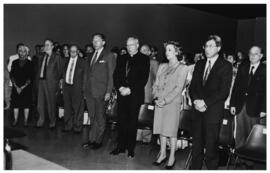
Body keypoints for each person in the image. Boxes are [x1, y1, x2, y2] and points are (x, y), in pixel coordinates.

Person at [189, 35, 232, 170]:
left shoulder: (226, 66)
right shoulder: (200, 63)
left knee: (211, 148)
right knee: (196, 146)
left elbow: (223, 92)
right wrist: (196, 100)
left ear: (218, 48)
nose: (207, 49)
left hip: (212, 112)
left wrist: (205, 103)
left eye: (211, 46)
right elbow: (193, 86)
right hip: (197, 111)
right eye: (206, 46)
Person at [110, 37, 150, 158]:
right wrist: (120, 88)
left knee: (132, 122)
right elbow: (116, 75)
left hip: (134, 95)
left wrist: (130, 89)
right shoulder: (122, 58)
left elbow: (143, 78)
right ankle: (120, 147)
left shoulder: (144, 59)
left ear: (137, 45)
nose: (128, 47)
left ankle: (131, 148)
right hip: (122, 94)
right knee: (121, 121)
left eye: (131, 45)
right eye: (127, 45)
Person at [152, 41, 188, 169]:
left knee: (171, 131)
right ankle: (162, 154)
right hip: (159, 102)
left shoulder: (182, 68)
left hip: (172, 103)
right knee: (161, 129)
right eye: (166, 50)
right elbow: (155, 84)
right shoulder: (162, 66)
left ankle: (172, 156)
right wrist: (155, 97)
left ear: (177, 52)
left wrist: (165, 100)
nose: (167, 52)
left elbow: (178, 88)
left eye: (170, 50)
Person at [82, 33, 114, 150]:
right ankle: (91, 139)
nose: (95, 42)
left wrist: (108, 92)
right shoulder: (90, 55)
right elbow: (87, 74)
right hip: (90, 91)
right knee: (92, 116)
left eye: (97, 40)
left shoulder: (109, 55)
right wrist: (84, 89)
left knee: (100, 117)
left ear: (103, 42)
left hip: (101, 92)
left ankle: (98, 141)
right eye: (93, 40)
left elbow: (111, 76)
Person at [230, 46, 266, 150]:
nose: (253, 56)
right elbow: (235, 87)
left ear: (261, 56)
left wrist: (264, 109)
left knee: (252, 135)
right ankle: (240, 159)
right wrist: (232, 104)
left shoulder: (265, 70)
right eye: (251, 53)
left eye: (256, 54)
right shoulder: (243, 67)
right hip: (240, 106)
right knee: (240, 134)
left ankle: (250, 161)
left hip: (256, 108)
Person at [36, 39, 64, 129]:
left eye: (48, 45)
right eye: (45, 45)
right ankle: (41, 120)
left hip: (51, 83)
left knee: (51, 103)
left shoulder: (57, 57)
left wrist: (56, 81)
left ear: (52, 46)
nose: (46, 46)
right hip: (41, 82)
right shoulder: (41, 56)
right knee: (40, 103)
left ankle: (52, 121)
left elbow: (60, 71)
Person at [62, 45, 86, 133]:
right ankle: (68, 126)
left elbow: (85, 77)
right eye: (71, 51)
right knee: (67, 108)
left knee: (78, 108)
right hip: (67, 87)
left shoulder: (82, 62)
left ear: (78, 51)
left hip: (77, 88)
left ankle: (77, 127)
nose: (72, 53)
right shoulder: (66, 60)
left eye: (74, 51)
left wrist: (83, 89)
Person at [10, 46, 33, 127]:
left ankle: (25, 121)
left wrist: (23, 87)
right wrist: (16, 87)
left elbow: (31, 77)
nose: (22, 53)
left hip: (26, 87)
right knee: (15, 104)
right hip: (16, 87)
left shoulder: (30, 63)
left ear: (27, 53)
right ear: (18, 52)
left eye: (24, 51)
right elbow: (11, 75)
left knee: (26, 104)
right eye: (20, 51)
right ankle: (15, 120)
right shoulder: (14, 62)